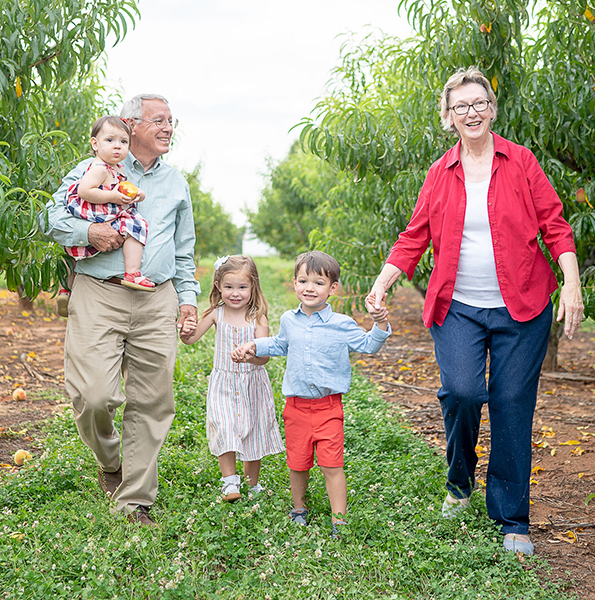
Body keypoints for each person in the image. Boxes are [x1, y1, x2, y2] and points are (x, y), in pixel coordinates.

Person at [367, 66, 583, 555]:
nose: (471, 112)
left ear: (492, 108)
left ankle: (512, 519)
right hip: (458, 307)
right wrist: (383, 282)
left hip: (522, 309)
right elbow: (413, 236)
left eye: (479, 103)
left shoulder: (522, 162)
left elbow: (556, 226)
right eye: (460, 106)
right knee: (462, 392)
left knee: (511, 407)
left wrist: (570, 282)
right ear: (448, 116)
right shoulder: (441, 173)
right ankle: (459, 482)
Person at [39, 94, 200, 526]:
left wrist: (187, 300)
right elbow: (49, 217)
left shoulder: (176, 183)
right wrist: (88, 229)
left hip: (157, 296)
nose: (169, 128)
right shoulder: (98, 166)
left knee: (152, 400)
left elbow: (184, 251)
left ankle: (135, 499)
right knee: (92, 396)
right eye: (159, 121)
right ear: (130, 126)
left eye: (172, 121)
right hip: (99, 290)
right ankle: (111, 460)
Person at [232, 250, 390, 538]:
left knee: (332, 465)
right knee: (298, 462)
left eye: (318, 283)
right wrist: (254, 346)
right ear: (294, 283)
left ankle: (339, 521)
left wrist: (379, 322)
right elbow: (280, 344)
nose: (309, 288)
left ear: (332, 289)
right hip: (296, 407)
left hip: (329, 408)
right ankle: (299, 509)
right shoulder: (289, 320)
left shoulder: (342, 324)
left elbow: (369, 344)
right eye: (303, 281)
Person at [179, 255, 285, 502]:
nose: (235, 293)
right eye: (228, 287)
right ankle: (229, 482)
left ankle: (252, 484)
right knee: (225, 427)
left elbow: (264, 358)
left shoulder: (258, 318)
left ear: (253, 287)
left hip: (252, 383)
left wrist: (250, 355)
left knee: (252, 431)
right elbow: (191, 339)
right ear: (218, 286)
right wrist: (185, 331)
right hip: (224, 384)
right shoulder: (217, 314)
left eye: (242, 287)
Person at [57, 116, 155, 316]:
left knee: (75, 255)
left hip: (99, 210)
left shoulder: (115, 168)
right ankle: (132, 271)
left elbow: (123, 188)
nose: (117, 146)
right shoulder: (99, 168)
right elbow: (85, 190)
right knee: (135, 224)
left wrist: (138, 194)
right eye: (110, 140)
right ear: (95, 143)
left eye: (123, 141)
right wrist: (113, 196)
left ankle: (66, 290)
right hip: (97, 210)